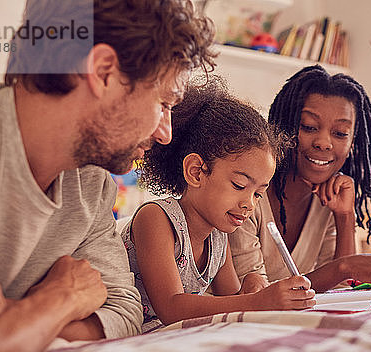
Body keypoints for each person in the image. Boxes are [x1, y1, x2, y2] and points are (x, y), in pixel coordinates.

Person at [0, 0, 215, 352]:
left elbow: (124, 314)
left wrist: (8, 317)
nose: (165, 133)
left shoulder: (91, 182)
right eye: (164, 103)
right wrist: (59, 299)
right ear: (103, 71)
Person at [121, 78, 316, 332]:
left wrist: (252, 285)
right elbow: (171, 308)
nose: (249, 205)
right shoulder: (156, 219)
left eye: (258, 194)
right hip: (129, 333)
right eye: (239, 185)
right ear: (196, 172)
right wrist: (257, 301)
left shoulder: (218, 238)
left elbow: (232, 301)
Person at [229, 65, 371, 293]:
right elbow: (255, 295)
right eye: (309, 127)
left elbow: (339, 289)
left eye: (340, 133)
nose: (324, 142)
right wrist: (345, 267)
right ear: (283, 127)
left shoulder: (328, 201)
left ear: (353, 143)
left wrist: (345, 216)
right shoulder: (247, 194)